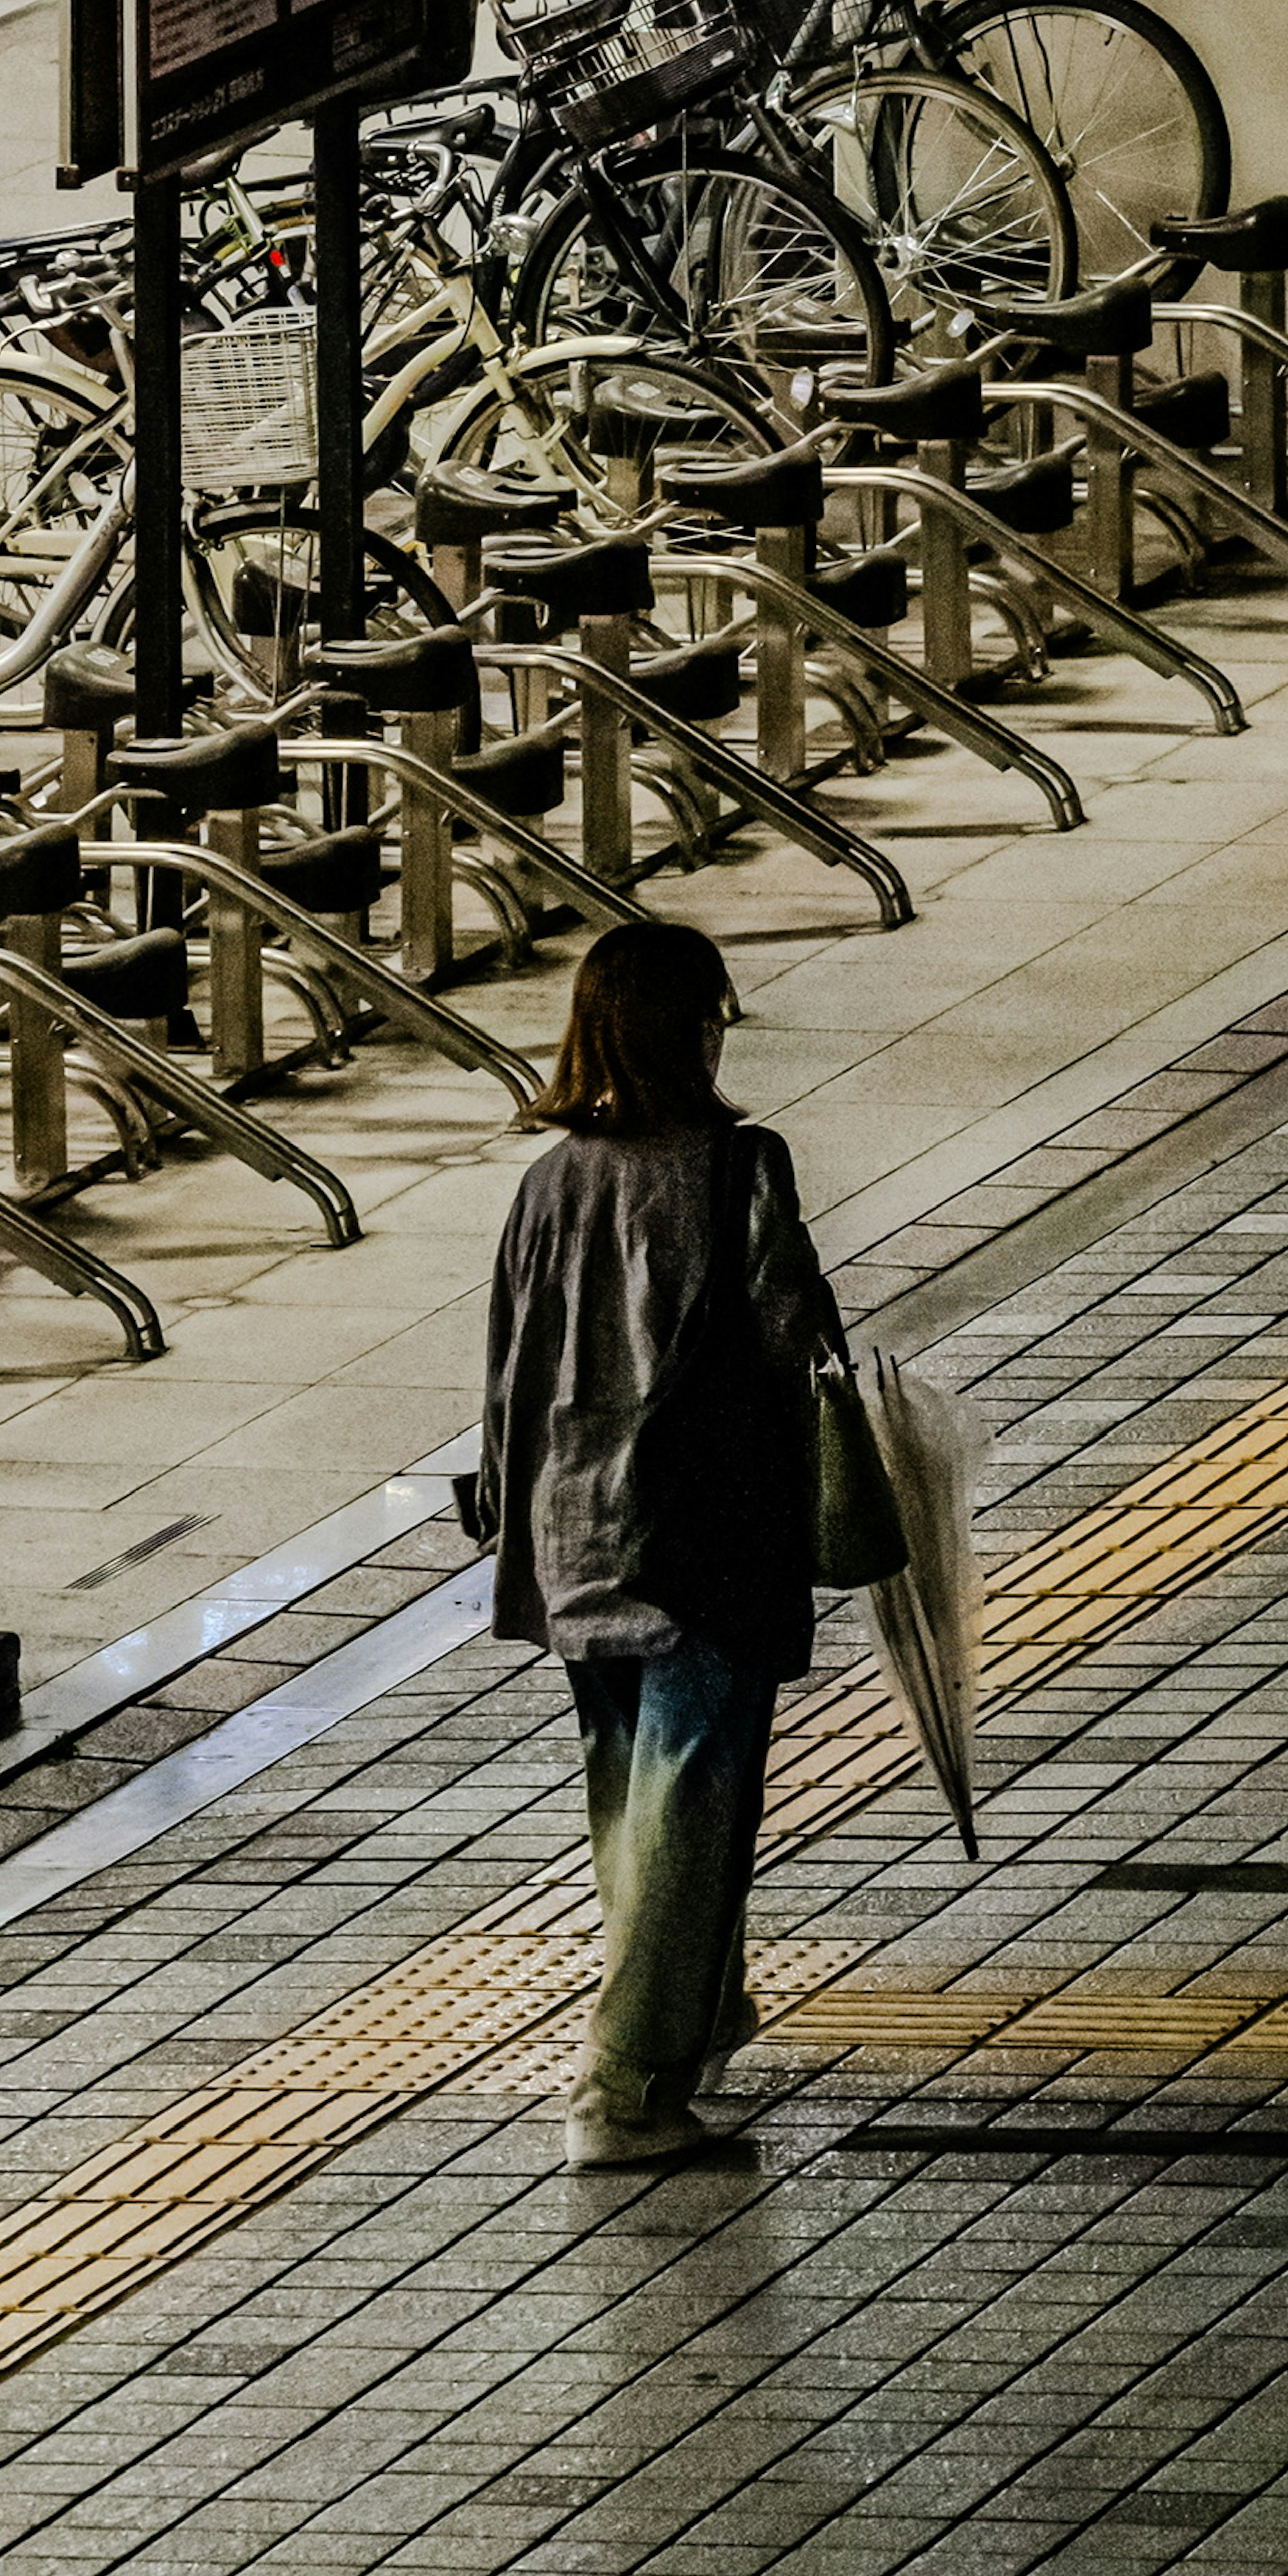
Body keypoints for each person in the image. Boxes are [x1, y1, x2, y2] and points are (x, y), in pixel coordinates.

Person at [476, 921, 833, 2169]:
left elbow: (508, 1373)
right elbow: (800, 1344)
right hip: (697, 1539)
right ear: (692, 1029)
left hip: (571, 1539)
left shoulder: (547, 1185)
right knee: (690, 1809)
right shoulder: (736, 1172)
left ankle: (701, 2012)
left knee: (636, 1808)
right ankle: (623, 2092)